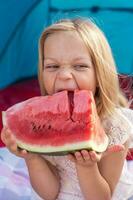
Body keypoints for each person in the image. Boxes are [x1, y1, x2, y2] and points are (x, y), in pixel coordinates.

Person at [1, 18, 133, 200]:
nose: (63, 75)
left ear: (99, 73)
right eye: (53, 66)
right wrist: (32, 157)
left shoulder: (116, 127)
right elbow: (49, 193)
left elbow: (102, 197)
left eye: (79, 66)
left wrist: (87, 168)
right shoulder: (43, 123)